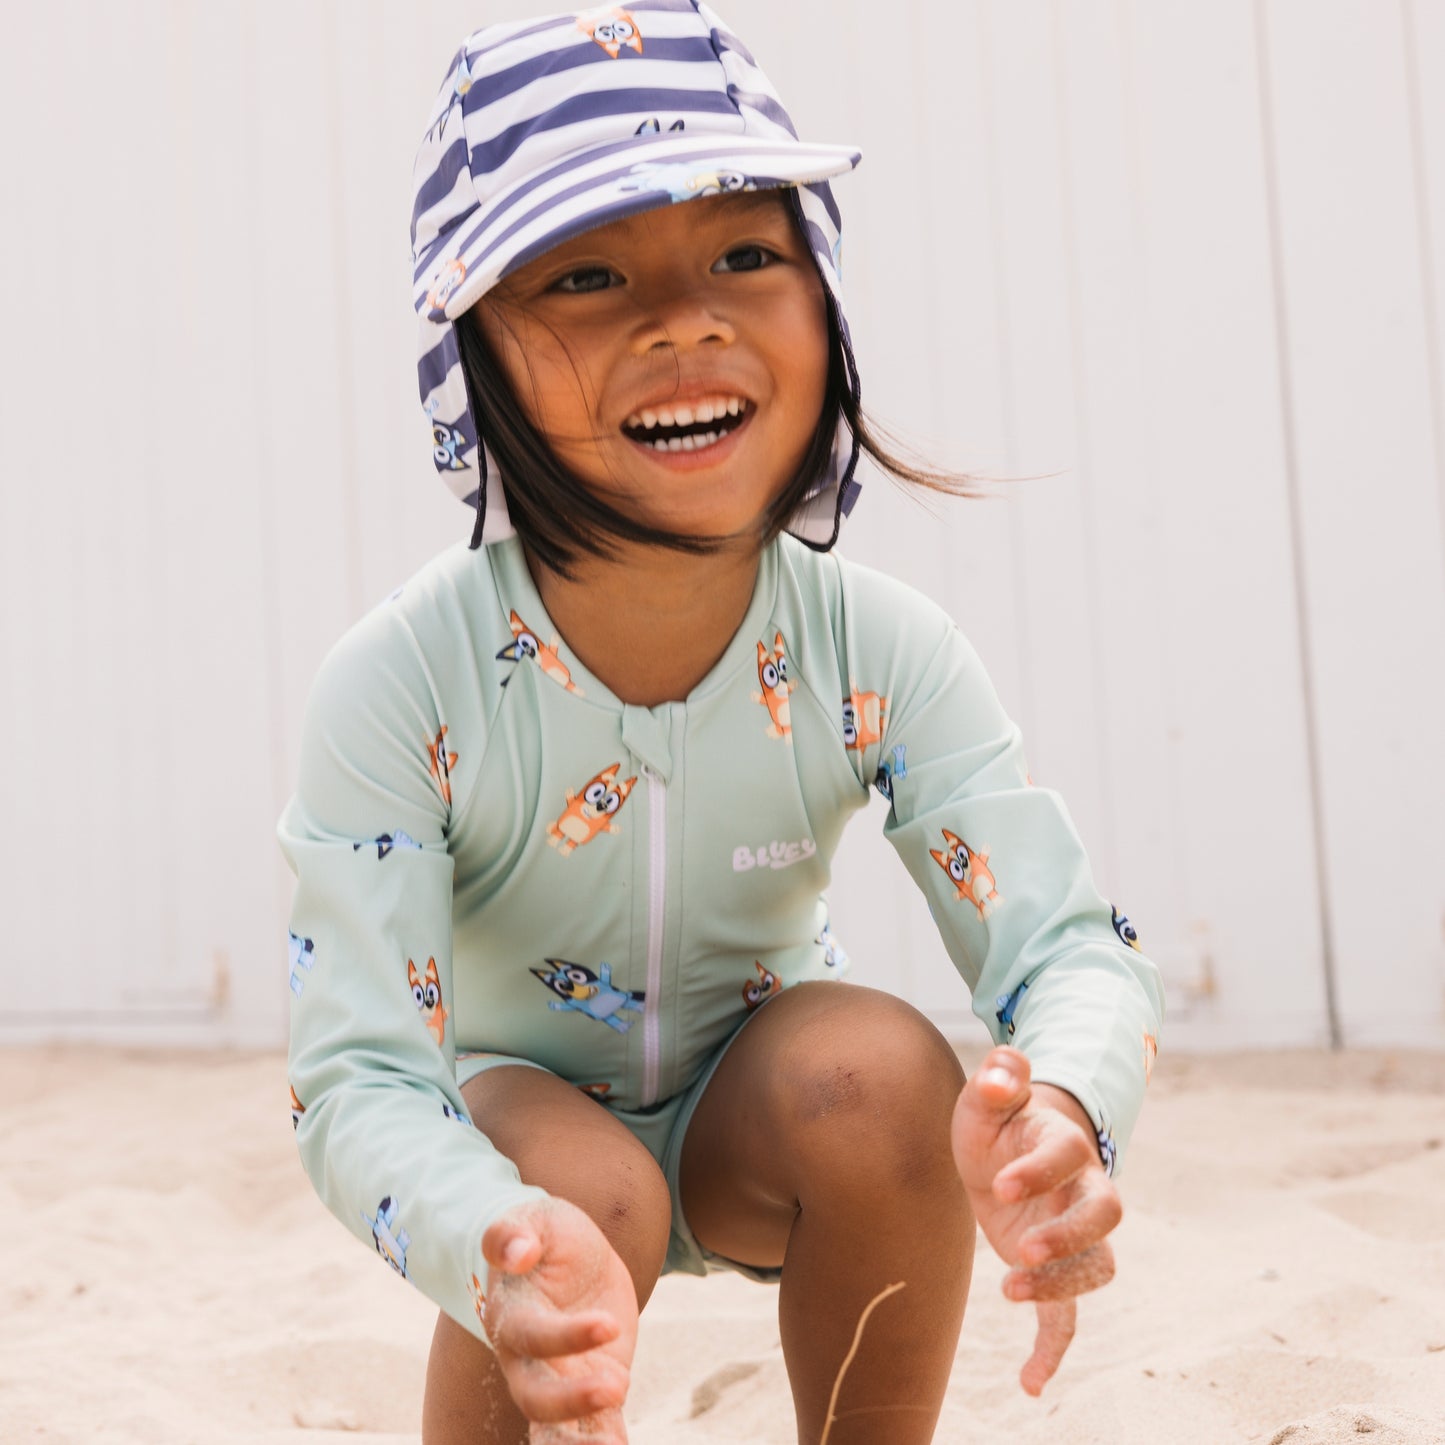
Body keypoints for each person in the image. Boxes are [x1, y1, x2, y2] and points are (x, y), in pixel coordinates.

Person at [277, 5, 1165, 1442]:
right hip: (513, 1118)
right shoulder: (406, 679)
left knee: (882, 1071)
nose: (684, 317)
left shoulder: (871, 646)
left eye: (747, 254)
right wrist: (484, 1238)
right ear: (474, 359)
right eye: (584, 272)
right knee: (580, 1200)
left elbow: (1062, 946)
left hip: (762, 1108)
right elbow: (358, 1076)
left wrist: (1060, 1102)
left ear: (823, 301)